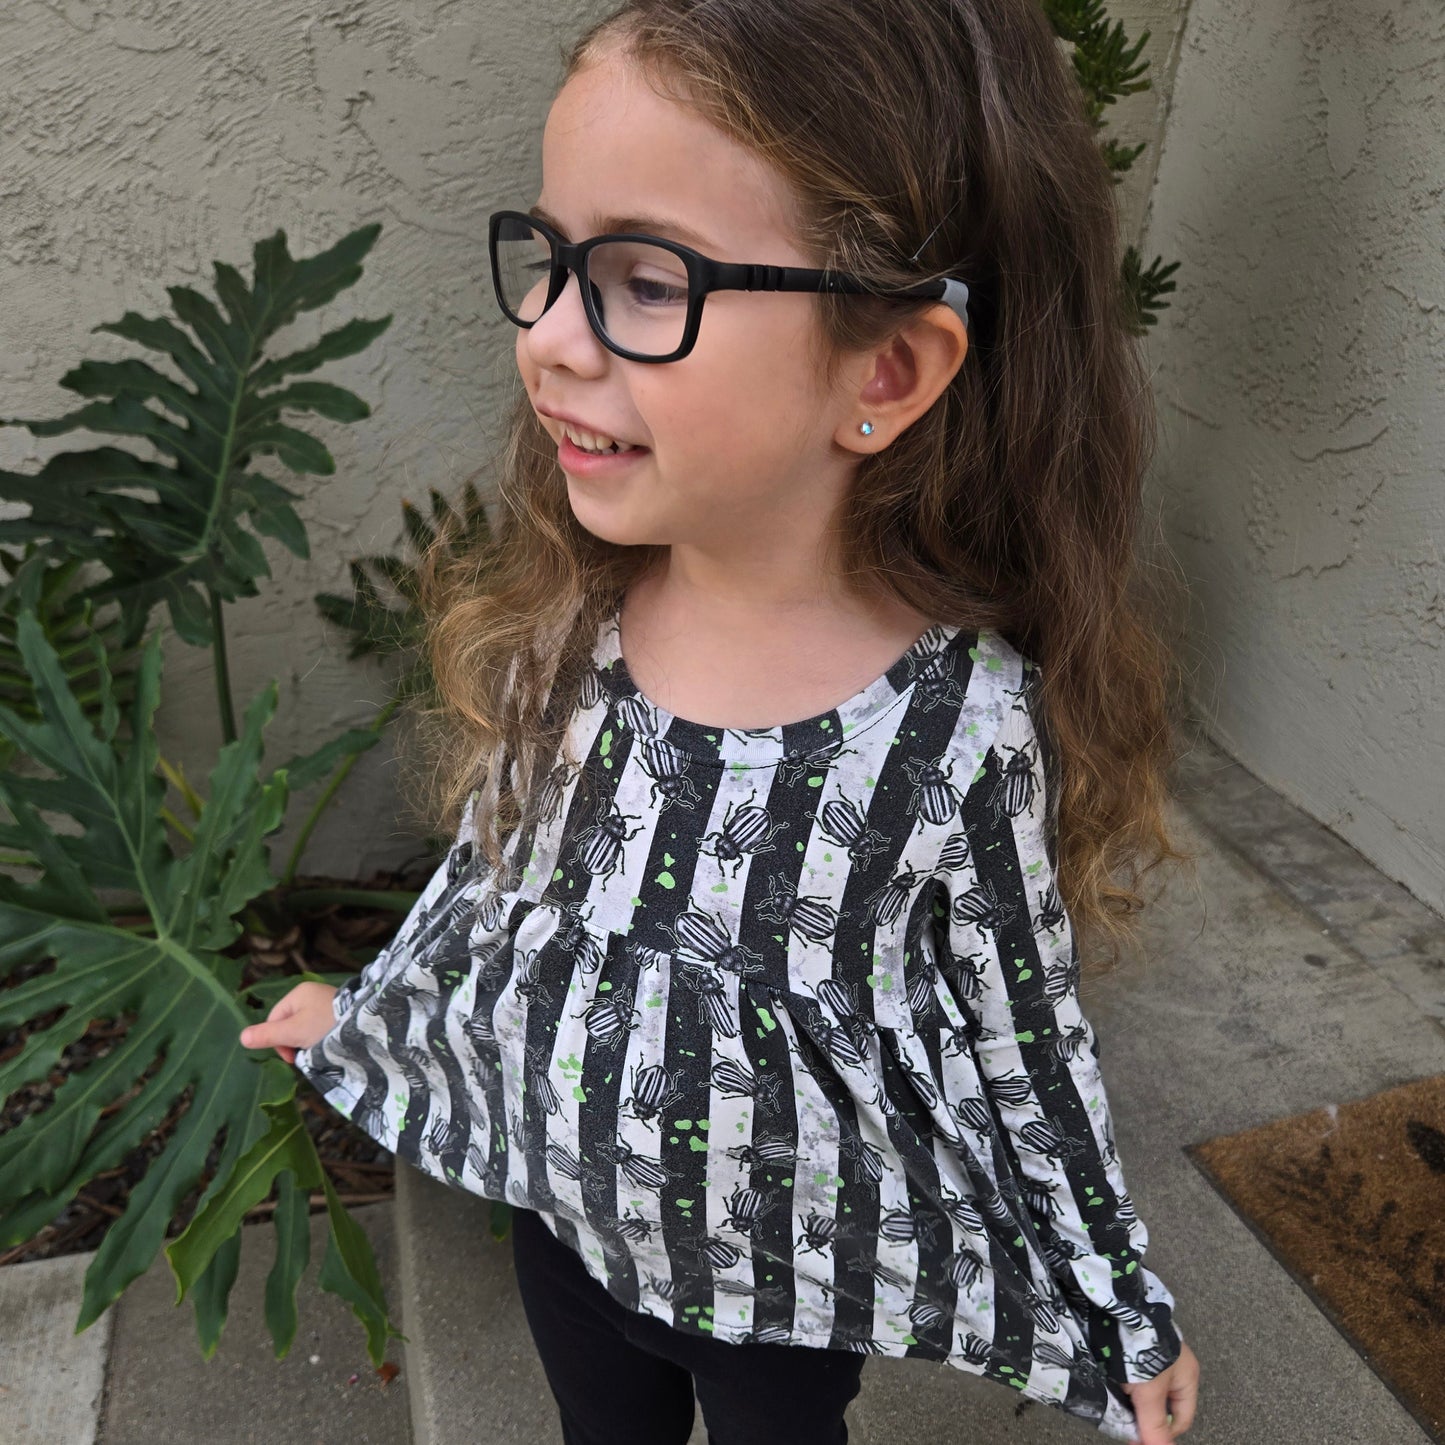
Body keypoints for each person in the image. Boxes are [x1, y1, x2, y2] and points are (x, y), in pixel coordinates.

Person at [240, 1, 1202, 1441]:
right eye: (551, 261)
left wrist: (1119, 1303)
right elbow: (490, 894)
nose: (547, 337)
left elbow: (1023, 1043)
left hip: (780, 1293)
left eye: (645, 280)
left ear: (884, 371)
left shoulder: (950, 730)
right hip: (562, 1233)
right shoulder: (574, 634)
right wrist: (374, 1016)